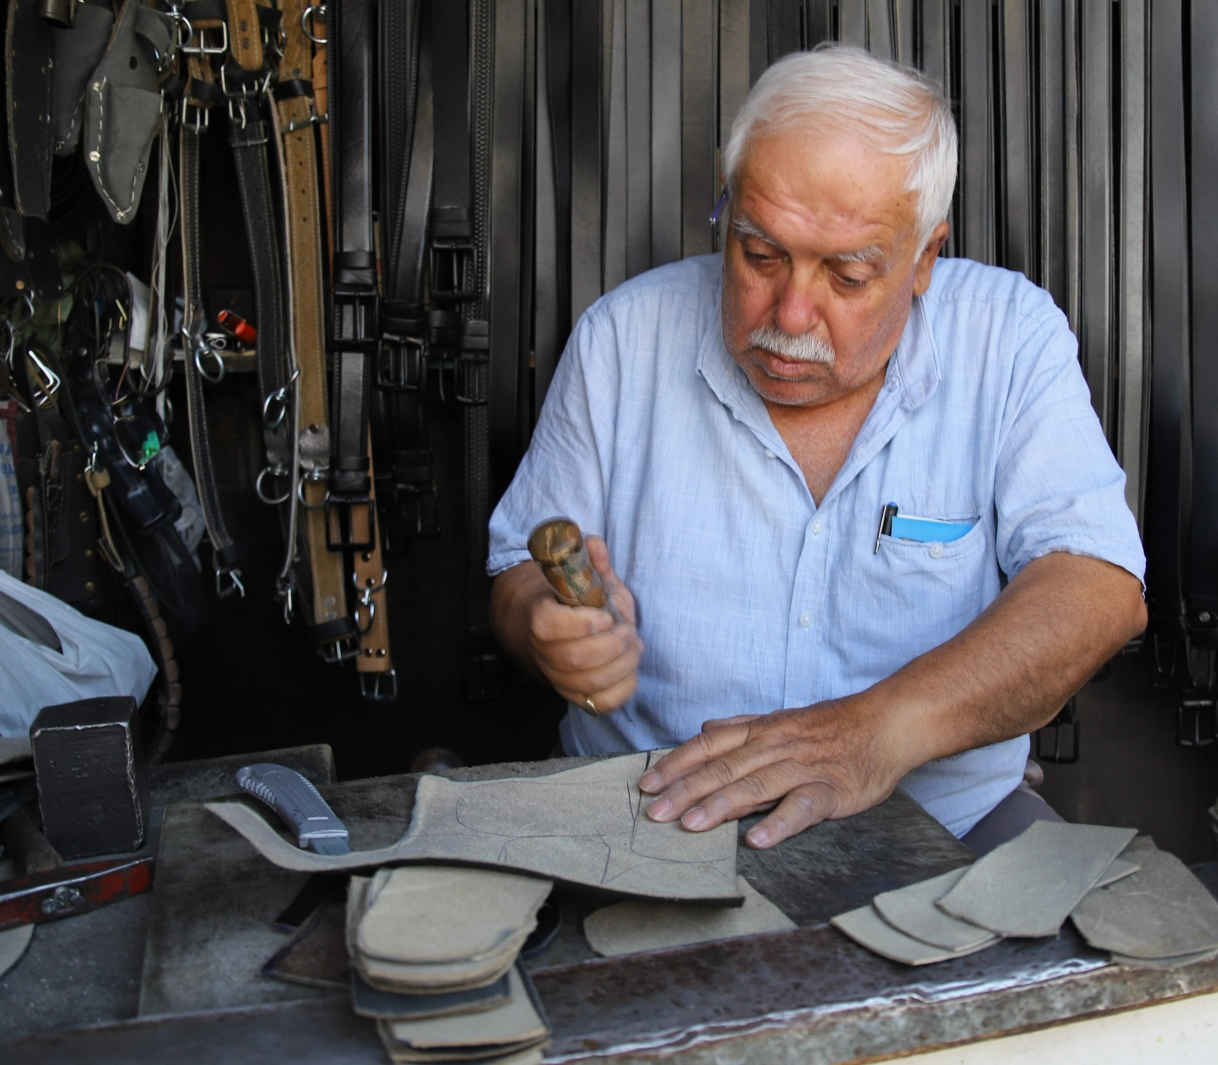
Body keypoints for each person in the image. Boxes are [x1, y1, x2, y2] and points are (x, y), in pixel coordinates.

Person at [487, 44, 1147, 855]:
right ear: (726, 212)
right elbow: (517, 572)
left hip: (945, 818)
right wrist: (545, 629)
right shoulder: (623, 339)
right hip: (653, 812)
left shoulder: (1009, 338)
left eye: (847, 275)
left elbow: (1098, 588)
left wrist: (876, 734)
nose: (791, 315)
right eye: (759, 255)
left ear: (923, 259)